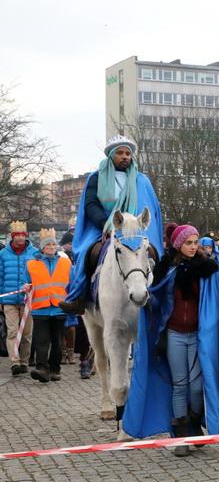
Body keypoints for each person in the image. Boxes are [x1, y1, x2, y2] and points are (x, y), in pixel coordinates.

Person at [123, 224, 219, 457]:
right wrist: (149, 301)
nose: (193, 247)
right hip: (174, 335)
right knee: (180, 386)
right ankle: (181, 436)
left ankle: (194, 423)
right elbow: (159, 299)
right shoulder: (167, 269)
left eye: (195, 242)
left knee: (197, 387)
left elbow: (216, 299)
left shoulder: (206, 269)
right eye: (188, 243)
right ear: (178, 244)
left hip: (199, 337)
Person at [60, 135, 163, 315]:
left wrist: (136, 227)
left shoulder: (142, 180)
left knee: (156, 254)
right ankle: (80, 297)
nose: (125, 157)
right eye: (120, 153)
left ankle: (157, 295)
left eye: (128, 154)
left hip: (136, 230)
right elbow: (91, 204)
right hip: (103, 227)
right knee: (88, 253)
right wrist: (106, 225)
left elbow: (151, 208)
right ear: (111, 155)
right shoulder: (96, 177)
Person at [25, 229, 71, 383]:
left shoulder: (66, 263)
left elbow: (72, 283)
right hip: (40, 308)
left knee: (57, 342)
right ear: (42, 248)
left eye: (53, 244)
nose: (51, 247)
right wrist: (25, 287)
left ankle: (54, 369)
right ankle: (42, 369)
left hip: (59, 307)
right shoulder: (31, 264)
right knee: (41, 341)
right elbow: (26, 283)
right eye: (48, 245)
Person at [0, 221, 38, 376]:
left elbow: (38, 275)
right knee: (12, 332)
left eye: (23, 235)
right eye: (18, 235)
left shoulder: (34, 253)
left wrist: (32, 287)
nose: (20, 238)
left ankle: (24, 361)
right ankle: (14, 362)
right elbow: (0, 276)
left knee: (27, 334)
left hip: (27, 300)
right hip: (9, 300)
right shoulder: (3, 254)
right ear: (12, 236)